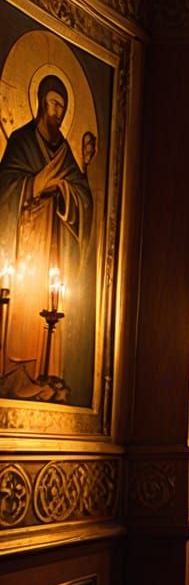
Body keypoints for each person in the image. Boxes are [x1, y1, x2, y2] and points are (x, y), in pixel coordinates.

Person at [0, 74, 93, 383]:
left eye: (63, 107)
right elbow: (5, 187)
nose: (58, 112)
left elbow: (84, 197)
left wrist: (65, 190)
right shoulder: (21, 140)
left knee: (45, 303)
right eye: (54, 104)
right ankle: (16, 371)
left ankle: (44, 372)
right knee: (22, 305)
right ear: (41, 103)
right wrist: (35, 185)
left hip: (52, 241)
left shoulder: (65, 151)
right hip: (24, 240)